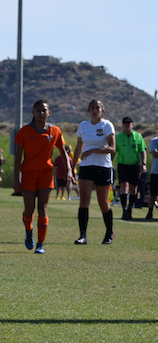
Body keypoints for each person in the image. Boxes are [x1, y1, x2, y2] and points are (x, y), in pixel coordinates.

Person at [12, 100, 70, 254]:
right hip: (29, 174)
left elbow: (63, 152)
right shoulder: (24, 131)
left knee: (42, 208)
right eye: (38, 110)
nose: (41, 113)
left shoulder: (55, 131)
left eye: (44, 110)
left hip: (45, 174)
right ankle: (28, 230)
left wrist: (70, 170)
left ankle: (40, 244)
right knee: (29, 210)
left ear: (49, 112)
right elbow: (18, 156)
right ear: (33, 112)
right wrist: (16, 178)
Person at [72, 99, 116, 245]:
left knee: (103, 203)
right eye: (92, 108)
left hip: (103, 167)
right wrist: (72, 168)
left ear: (102, 110)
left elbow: (112, 148)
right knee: (84, 201)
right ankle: (82, 236)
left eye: (97, 107)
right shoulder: (83, 126)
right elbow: (78, 147)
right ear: (88, 111)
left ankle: (109, 233)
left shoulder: (107, 125)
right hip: (86, 167)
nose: (94, 110)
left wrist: (93, 150)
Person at [114, 117, 146, 220]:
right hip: (122, 165)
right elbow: (114, 151)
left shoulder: (138, 137)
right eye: (125, 123)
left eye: (129, 123)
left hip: (134, 165)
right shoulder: (118, 137)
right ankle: (124, 209)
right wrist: (109, 162)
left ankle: (130, 209)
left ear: (132, 124)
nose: (127, 125)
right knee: (124, 187)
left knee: (134, 189)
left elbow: (142, 151)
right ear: (122, 125)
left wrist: (144, 164)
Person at [147, 134, 158, 221]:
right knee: (153, 193)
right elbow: (154, 153)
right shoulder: (154, 141)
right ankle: (150, 211)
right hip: (156, 171)